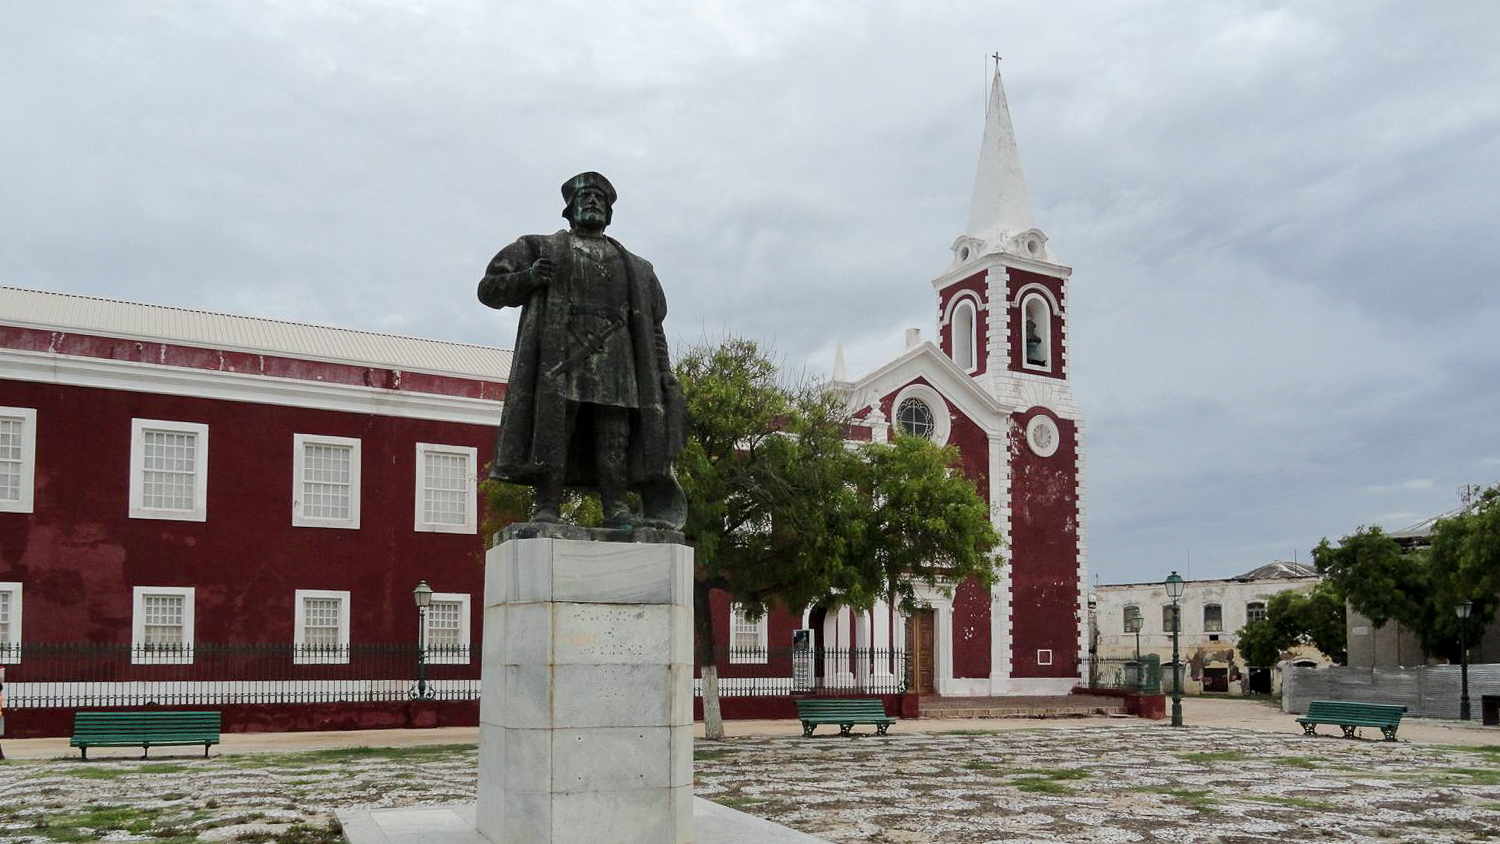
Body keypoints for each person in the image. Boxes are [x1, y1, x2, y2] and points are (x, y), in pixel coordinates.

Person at [478, 172, 686, 530]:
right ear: (569, 210)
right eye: (584, 197)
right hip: (560, 360)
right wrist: (529, 277)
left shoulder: (637, 268)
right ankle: (547, 506)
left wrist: (664, 374)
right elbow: (489, 289)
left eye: (600, 200)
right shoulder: (539, 248)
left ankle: (616, 509)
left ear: (609, 212)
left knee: (614, 439)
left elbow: (654, 329)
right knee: (554, 433)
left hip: (619, 367)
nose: (593, 203)